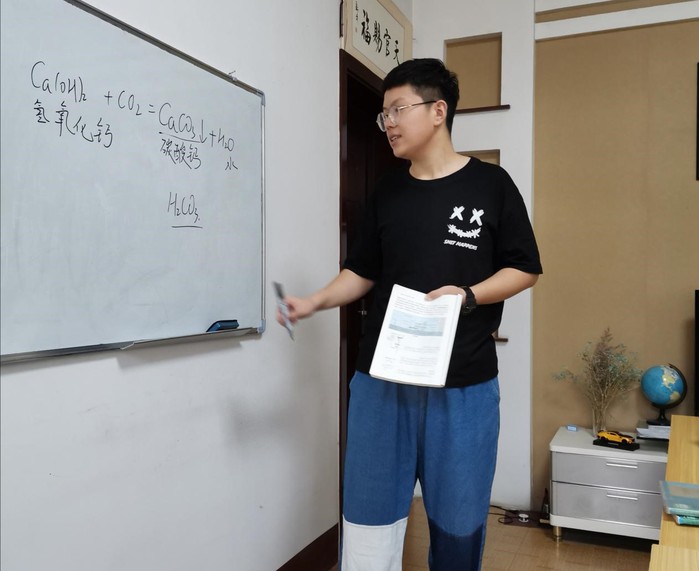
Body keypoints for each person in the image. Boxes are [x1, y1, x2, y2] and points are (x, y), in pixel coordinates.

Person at [277, 58, 542, 571]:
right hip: (382, 381)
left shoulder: (491, 185)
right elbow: (362, 271)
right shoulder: (388, 192)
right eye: (384, 114)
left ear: (438, 111)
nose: (389, 123)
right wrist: (314, 301)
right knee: (368, 523)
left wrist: (467, 295)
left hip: (463, 384)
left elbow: (525, 268)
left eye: (398, 109)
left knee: (459, 525)